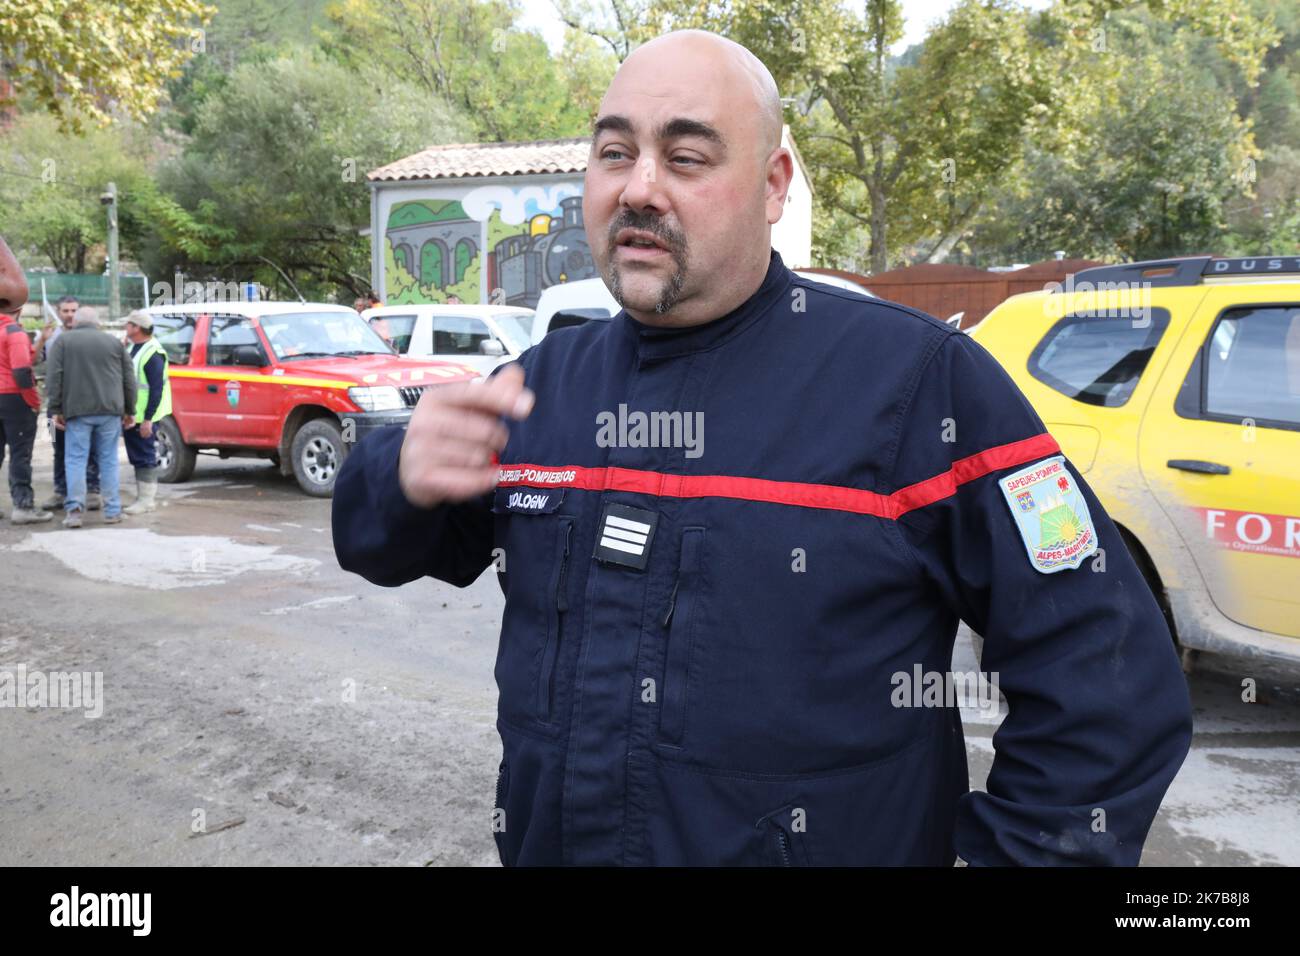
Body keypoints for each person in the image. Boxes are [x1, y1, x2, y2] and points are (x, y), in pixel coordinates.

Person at [332, 30, 1193, 867]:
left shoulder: (918, 386)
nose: (639, 189)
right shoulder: (542, 388)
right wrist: (398, 477)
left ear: (774, 184)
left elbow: (1109, 683)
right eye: (613, 153)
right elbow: (381, 546)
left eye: (686, 157)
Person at [46, 305, 136, 528]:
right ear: (98, 323)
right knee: (108, 460)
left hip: (77, 411)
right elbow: (128, 379)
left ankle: (75, 511)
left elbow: (54, 377)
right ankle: (113, 511)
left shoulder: (63, 342)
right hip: (110, 411)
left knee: (75, 459)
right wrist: (130, 410)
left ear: (76, 322)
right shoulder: (114, 343)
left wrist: (56, 409)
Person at [0, 236, 54, 524]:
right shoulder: (14, 333)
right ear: (17, 309)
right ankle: (23, 507)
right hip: (14, 399)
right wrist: (34, 401)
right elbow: (21, 371)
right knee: (20, 455)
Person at [36, 295, 101, 510]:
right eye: (66, 311)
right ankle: (60, 491)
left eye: (74, 310)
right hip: (55, 406)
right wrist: (41, 341)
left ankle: (92, 490)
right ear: (59, 312)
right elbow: (35, 363)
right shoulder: (51, 337)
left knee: (90, 448)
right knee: (58, 448)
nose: (70, 315)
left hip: (84, 405)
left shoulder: (92, 336)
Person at [121, 310, 171, 514]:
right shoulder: (136, 347)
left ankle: (146, 500)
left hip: (144, 416)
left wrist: (148, 420)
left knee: (145, 455)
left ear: (137, 328)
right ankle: (142, 497)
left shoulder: (152, 353)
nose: (126, 327)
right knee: (137, 455)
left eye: (128, 324)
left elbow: (156, 389)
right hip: (134, 414)